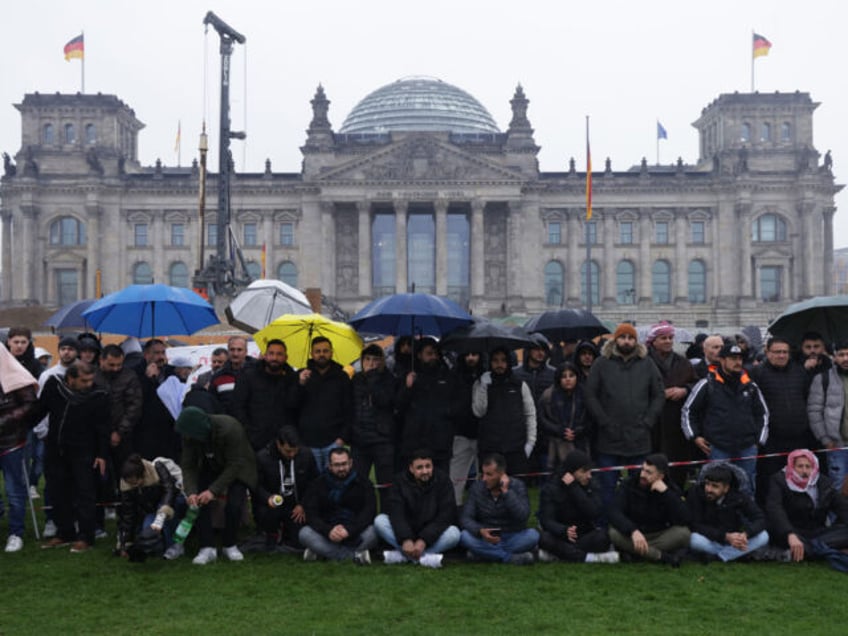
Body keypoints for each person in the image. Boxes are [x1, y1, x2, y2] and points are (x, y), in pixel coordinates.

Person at [584, 323, 665, 509]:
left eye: (630, 338)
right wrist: (603, 421)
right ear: (615, 339)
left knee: (640, 485)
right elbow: (590, 394)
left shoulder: (647, 363)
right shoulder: (601, 363)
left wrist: (648, 421)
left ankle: (637, 524)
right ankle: (605, 526)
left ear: (636, 341)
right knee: (607, 487)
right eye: (623, 337)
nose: (626, 341)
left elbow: (659, 394)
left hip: (639, 437)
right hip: (609, 437)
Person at [37, 361, 110, 553]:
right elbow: (39, 411)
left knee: (85, 493)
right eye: (84, 380)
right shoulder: (54, 386)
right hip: (55, 449)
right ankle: (64, 532)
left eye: (90, 380)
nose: (88, 384)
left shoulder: (99, 396)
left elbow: (103, 427)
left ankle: (86, 536)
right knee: (57, 491)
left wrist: (102, 454)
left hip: (84, 452)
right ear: (71, 379)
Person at [682, 342, 770, 493]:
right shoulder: (707, 384)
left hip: (747, 447)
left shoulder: (750, 386)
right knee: (715, 488)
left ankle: (746, 517)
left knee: (746, 489)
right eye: (732, 358)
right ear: (722, 360)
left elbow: (763, 414)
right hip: (717, 447)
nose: (737, 362)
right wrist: (694, 436)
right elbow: (688, 411)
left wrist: (759, 441)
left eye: (740, 359)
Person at [175, 406, 258, 565]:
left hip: (239, 467)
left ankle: (230, 544)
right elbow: (188, 465)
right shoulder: (189, 435)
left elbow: (235, 463)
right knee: (198, 503)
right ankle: (206, 547)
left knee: (233, 505)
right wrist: (191, 492)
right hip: (210, 465)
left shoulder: (231, 428)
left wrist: (213, 491)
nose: (186, 437)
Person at [751, 337, 816, 503]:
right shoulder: (757, 373)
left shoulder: (799, 371)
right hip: (771, 438)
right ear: (768, 352)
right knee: (770, 478)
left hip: (799, 436)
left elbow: (807, 397)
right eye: (777, 352)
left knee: (797, 477)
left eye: (785, 352)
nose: (781, 355)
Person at [375, 449, 459, 568]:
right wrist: (406, 539)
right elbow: (396, 512)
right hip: (406, 531)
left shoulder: (443, 480)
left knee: (454, 534)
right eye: (419, 467)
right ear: (411, 468)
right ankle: (424, 558)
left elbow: (446, 514)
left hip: (431, 535)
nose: (425, 471)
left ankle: (403, 557)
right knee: (380, 521)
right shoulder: (399, 481)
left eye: (428, 466)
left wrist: (424, 539)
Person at [607, 453, 691, 565]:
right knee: (613, 533)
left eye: (649, 472)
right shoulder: (629, 484)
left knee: (684, 534)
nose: (643, 475)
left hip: (659, 535)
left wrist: (666, 494)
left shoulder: (670, 489)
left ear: (661, 476)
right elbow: (614, 512)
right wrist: (633, 530)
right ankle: (660, 556)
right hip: (633, 535)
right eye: (643, 470)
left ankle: (636, 553)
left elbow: (685, 518)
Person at [298, 446, 378, 563]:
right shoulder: (318, 484)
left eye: (344, 464)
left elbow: (369, 512)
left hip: (355, 532)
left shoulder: (364, 483)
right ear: (329, 465)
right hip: (327, 534)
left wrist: (349, 530)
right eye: (336, 465)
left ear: (350, 463)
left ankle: (325, 553)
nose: (341, 468)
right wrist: (328, 530)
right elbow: (312, 514)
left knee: (375, 531)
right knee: (304, 533)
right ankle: (355, 555)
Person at [766, 449, 848, 562]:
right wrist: (790, 534)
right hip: (791, 531)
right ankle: (824, 550)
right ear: (792, 466)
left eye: (808, 466)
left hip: (818, 532)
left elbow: (841, 506)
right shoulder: (779, 480)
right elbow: (775, 509)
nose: (804, 470)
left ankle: (808, 551)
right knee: (776, 534)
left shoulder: (823, 482)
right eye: (800, 466)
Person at [537, 450, 618, 563]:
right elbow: (546, 519)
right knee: (544, 538)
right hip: (561, 535)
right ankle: (588, 558)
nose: (589, 476)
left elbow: (594, 512)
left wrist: (574, 488)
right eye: (584, 471)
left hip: (583, 534)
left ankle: (560, 555)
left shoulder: (591, 484)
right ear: (571, 472)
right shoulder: (552, 487)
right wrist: (564, 531)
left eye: (589, 471)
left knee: (603, 537)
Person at [459, 452, 539, 564]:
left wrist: (507, 492)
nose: (484, 479)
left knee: (533, 536)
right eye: (483, 474)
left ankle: (483, 554)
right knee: (464, 536)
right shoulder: (477, 488)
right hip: (486, 537)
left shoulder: (517, 486)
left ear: (502, 475)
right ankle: (508, 558)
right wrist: (480, 531)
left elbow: (523, 516)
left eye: (489, 474)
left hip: (512, 535)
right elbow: (466, 518)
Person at [645, 321, 697, 488]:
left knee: (676, 472)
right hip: (653, 424)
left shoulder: (683, 363)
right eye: (663, 338)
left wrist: (684, 390)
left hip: (676, 424)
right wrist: (660, 395)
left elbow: (696, 385)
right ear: (653, 341)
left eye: (670, 338)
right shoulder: (644, 362)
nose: (668, 341)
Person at [291, 336, 354, 472]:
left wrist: (342, 437)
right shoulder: (301, 376)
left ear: (331, 352)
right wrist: (301, 384)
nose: (321, 354)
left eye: (325, 351)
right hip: (307, 442)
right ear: (312, 354)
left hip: (333, 441)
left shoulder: (341, 377)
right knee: (312, 484)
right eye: (318, 351)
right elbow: (292, 406)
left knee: (334, 482)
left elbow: (349, 409)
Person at [472, 347, 537, 477]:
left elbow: (530, 414)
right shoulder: (481, 383)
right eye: (495, 361)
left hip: (516, 449)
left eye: (503, 360)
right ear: (490, 363)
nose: (499, 364)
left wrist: (530, 443)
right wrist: (484, 386)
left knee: (517, 491)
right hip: (490, 449)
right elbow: (478, 411)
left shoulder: (519, 385)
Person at [396, 338, 458, 472]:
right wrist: (407, 387)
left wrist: (447, 414)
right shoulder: (409, 376)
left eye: (435, 353)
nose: (433, 357)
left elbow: (454, 403)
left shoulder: (446, 376)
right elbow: (399, 407)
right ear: (419, 355)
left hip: (440, 440)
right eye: (429, 354)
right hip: (415, 441)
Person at [0, 342, 39, 552]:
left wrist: (5, 420)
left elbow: (30, 403)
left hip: (12, 441)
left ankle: (16, 532)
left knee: (14, 489)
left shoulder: (15, 376)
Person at [687, 463, 769, 562]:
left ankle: (721, 556)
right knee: (693, 539)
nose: (709, 489)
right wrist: (725, 536)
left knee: (764, 536)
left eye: (715, 486)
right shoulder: (696, 493)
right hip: (711, 539)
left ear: (726, 488)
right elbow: (695, 525)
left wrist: (746, 534)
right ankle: (734, 555)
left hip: (734, 540)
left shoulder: (738, 497)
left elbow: (760, 518)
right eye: (707, 484)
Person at [253, 426, 318, 549]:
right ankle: (271, 532)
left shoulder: (306, 455)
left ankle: (288, 532)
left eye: (295, 450)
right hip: (272, 505)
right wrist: (267, 498)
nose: (292, 454)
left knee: (298, 541)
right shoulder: (262, 457)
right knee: (265, 514)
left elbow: (314, 483)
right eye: (288, 451)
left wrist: (303, 504)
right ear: (279, 444)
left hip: (296, 506)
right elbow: (256, 485)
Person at [350, 343, 396, 511]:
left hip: (382, 438)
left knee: (385, 485)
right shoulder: (356, 379)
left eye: (375, 360)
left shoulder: (388, 379)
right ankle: (362, 517)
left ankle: (386, 519)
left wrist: (373, 378)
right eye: (367, 359)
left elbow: (385, 401)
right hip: (359, 438)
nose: (370, 363)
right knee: (358, 482)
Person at [231, 339, 297, 452]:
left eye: (279, 354)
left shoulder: (292, 379)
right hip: (255, 443)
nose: (275, 358)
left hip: (284, 444)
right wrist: (249, 433)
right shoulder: (248, 376)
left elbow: (295, 408)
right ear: (265, 356)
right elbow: (238, 407)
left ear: (286, 357)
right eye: (271, 353)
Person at [115, 453, 183, 561]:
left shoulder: (158, 468)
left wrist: (161, 515)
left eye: (134, 482)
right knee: (148, 533)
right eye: (129, 483)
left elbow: (169, 491)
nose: (133, 485)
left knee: (168, 515)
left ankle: (175, 545)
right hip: (151, 511)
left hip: (175, 502)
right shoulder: (127, 487)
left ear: (142, 475)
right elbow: (128, 514)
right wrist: (125, 543)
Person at [807, 341, 848, 490]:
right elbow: (814, 411)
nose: (845, 358)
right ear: (834, 357)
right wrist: (825, 439)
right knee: (837, 486)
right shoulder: (823, 379)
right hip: (837, 445)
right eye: (841, 355)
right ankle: (836, 514)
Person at [132, 339, 179, 461]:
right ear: (146, 355)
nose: (161, 356)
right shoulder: (136, 372)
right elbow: (138, 398)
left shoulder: (172, 371)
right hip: (146, 430)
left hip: (169, 430)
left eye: (163, 353)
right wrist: (149, 379)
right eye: (157, 353)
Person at [449, 351, 485, 505]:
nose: (471, 357)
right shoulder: (454, 376)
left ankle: (484, 508)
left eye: (474, 354)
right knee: (456, 478)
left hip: (483, 432)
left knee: (485, 476)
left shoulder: (485, 376)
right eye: (467, 354)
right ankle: (453, 507)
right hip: (460, 432)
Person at [538, 362, 588, 467]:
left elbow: (589, 418)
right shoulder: (548, 395)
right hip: (553, 445)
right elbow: (542, 419)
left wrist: (578, 431)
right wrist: (559, 431)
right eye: (564, 376)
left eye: (571, 375)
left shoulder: (584, 394)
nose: (568, 379)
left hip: (579, 443)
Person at [208, 336, 255, 413]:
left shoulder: (257, 372)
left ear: (246, 352)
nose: (235, 353)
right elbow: (213, 403)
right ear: (228, 352)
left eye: (239, 350)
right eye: (232, 350)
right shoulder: (217, 377)